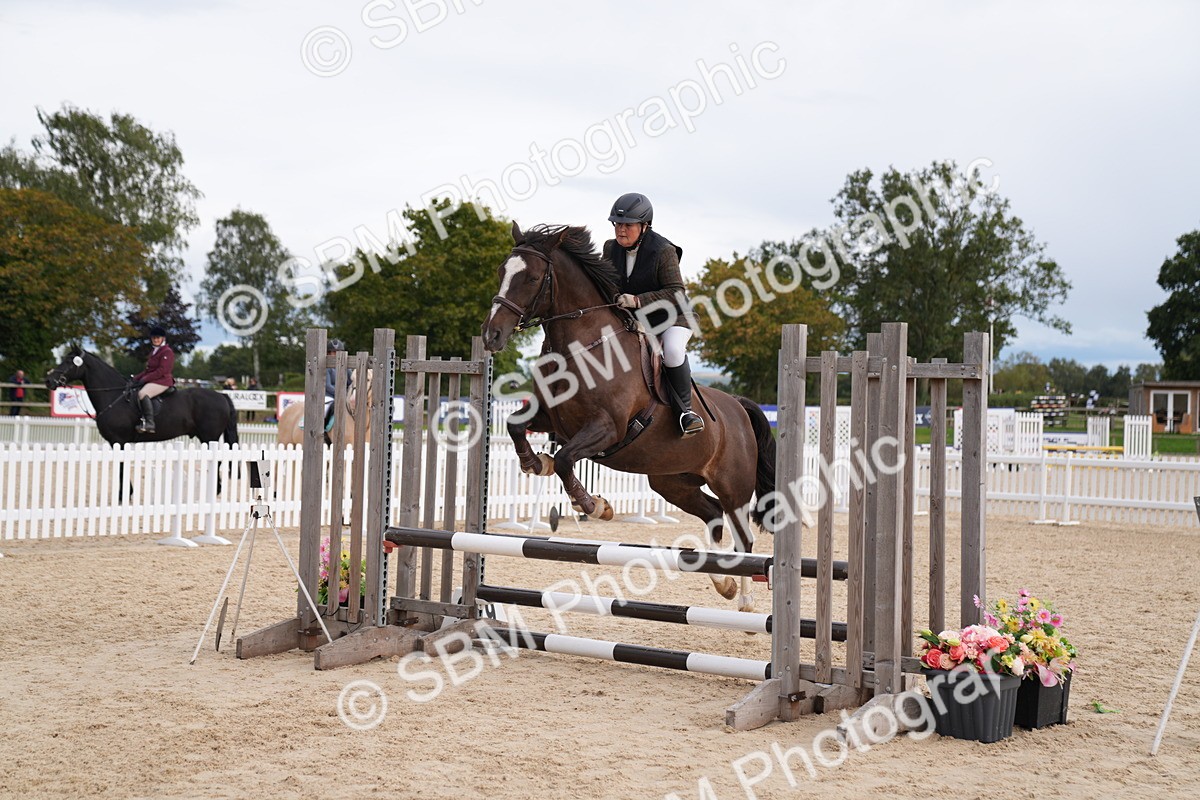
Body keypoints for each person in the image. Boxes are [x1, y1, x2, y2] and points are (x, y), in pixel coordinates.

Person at [602, 192, 704, 437]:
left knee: (673, 351)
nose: (621, 230)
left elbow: (676, 293)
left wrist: (637, 300)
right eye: (617, 224)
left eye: (627, 225)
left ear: (644, 225)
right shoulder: (610, 248)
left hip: (673, 318)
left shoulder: (663, 250)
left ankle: (685, 413)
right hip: (637, 321)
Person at [133, 325, 175, 434]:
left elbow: (162, 370)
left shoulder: (167, 352)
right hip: (154, 380)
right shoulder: (154, 352)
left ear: (163, 339)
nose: (156, 340)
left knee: (142, 393)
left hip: (163, 381)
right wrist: (135, 378)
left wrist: (145, 379)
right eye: (154, 338)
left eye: (158, 338)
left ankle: (150, 423)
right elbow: (148, 370)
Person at [324, 339, 350, 432]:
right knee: (328, 408)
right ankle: (324, 429)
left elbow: (351, 383)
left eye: (339, 352)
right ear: (329, 353)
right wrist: (340, 394)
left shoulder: (347, 368)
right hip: (329, 397)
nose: (336, 355)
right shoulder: (327, 367)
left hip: (345, 396)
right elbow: (327, 386)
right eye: (334, 352)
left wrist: (349, 394)